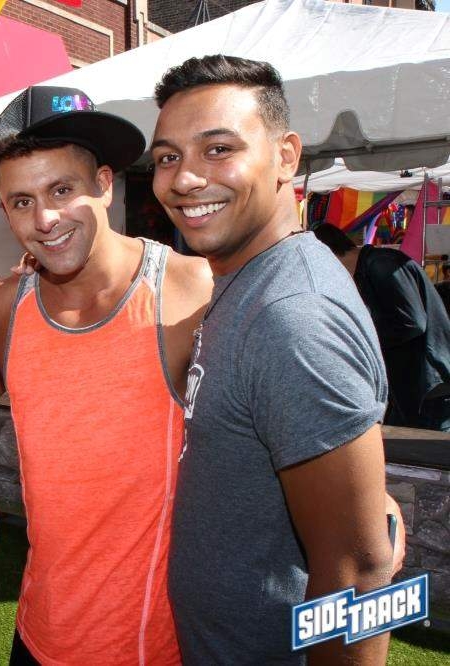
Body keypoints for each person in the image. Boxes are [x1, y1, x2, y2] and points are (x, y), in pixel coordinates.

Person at [150, 55, 393, 663]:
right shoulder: (247, 283)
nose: (184, 179)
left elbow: (361, 573)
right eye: (167, 157)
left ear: (286, 157)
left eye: (218, 149)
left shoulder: (291, 316)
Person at [0, 85, 213, 664]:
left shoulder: (191, 291)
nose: (45, 219)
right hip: (37, 637)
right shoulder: (1, 312)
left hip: (156, 648)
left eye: (63, 190)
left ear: (105, 184)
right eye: (22, 201)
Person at [313, 222, 450, 430]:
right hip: (410, 384)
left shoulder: (381, 264)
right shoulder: (368, 269)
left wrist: (361, 338)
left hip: (430, 381)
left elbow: (412, 322)